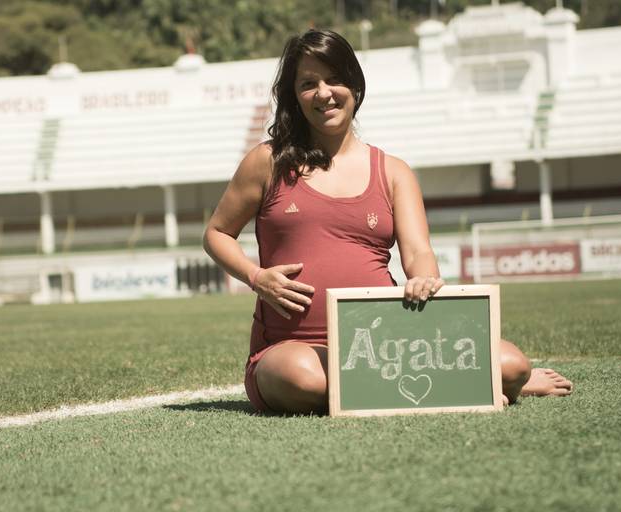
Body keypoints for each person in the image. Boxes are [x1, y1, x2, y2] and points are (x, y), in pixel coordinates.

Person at [204, 29, 573, 414]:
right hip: (293, 348)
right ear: (294, 97)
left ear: (356, 88)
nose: (324, 92)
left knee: (514, 365)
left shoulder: (393, 171)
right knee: (303, 380)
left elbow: (417, 252)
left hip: (390, 344)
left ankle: (452, 385)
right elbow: (216, 233)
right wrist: (256, 277)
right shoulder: (267, 161)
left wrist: (423, 279)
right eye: (308, 84)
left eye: (335, 79)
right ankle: (461, 388)